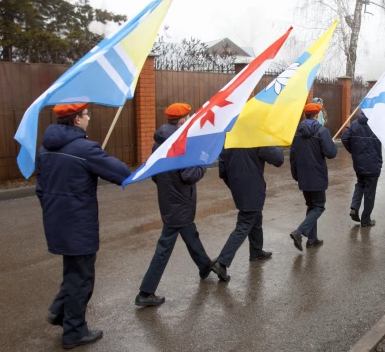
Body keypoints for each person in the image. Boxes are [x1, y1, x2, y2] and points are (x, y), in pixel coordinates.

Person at [36, 103, 130, 349]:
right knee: (82, 278)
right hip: (79, 224)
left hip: (56, 222)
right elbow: (120, 172)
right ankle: (74, 332)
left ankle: (60, 312)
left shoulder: (44, 149)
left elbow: (40, 189)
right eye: (86, 115)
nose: (89, 118)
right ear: (77, 119)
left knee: (73, 271)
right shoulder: (85, 149)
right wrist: (98, 155)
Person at [135, 103, 212, 307]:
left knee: (190, 234)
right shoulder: (181, 143)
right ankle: (146, 292)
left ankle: (205, 266)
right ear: (183, 121)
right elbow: (189, 175)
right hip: (180, 202)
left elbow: (155, 174)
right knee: (165, 247)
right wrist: (203, 163)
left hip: (169, 200)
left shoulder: (159, 143)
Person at [210, 145, 284, 282]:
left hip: (238, 186)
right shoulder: (256, 137)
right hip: (253, 187)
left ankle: (256, 251)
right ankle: (222, 262)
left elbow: (222, 169)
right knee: (245, 223)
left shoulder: (231, 136)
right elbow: (278, 159)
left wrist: (234, 184)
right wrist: (273, 141)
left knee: (255, 216)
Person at [289, 103, 338, 251]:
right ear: (317, 115)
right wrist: (332, 145)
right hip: (317, 175)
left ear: (305, 115)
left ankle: (312, 239)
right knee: (319, 206)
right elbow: (331, 153)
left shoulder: (296, 132)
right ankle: (299, 232)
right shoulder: (322, 132)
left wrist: (296, 175)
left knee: (311, 206)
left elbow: (292, 157)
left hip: (303, 176)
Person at [342, 111, 382, 226]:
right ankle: (366, 220)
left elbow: (345, 138)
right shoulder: (377, 125)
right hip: (373, 163)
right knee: (370, 191)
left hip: (359, 162)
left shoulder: (354, 124)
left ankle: (354, 207)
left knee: (360, 184)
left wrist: (354, 152)